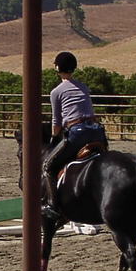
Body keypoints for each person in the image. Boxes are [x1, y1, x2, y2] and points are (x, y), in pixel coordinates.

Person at [42, 51, 107, 219]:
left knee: (48, 166)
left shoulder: (56, 92)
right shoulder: (83, 87)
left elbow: (56, 121)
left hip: (78, 133)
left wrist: (54, 137)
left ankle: (52, 205)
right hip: (97, 132)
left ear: (57, 68)